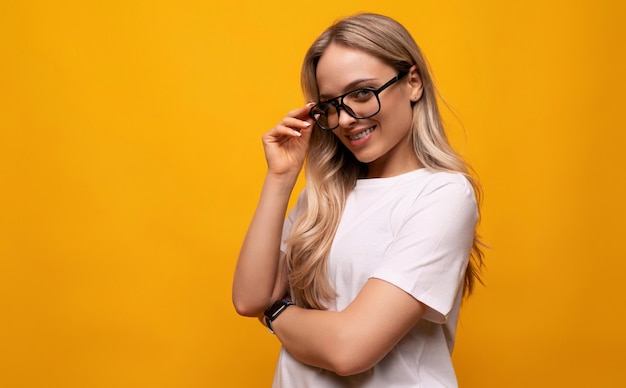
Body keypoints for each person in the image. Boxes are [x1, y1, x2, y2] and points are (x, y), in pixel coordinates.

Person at [232, 12, 484, 387]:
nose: (346, 119)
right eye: (331, 105)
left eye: (363, 93)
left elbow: (349, 349)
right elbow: (248, 298)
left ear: (413, 82)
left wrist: (276, 314)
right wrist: (280, 177)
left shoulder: (443, 195)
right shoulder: (323, 199)